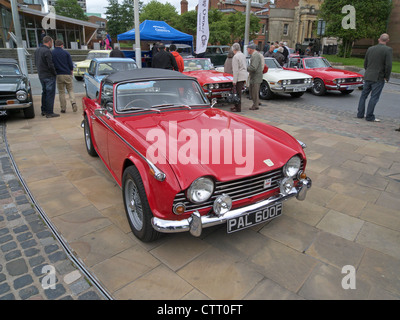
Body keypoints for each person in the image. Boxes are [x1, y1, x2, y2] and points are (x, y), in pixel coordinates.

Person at [357, 33, 392, 122]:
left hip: (368, 75)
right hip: (378, 77)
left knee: (363, 96)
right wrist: (386, 76)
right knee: (374, 97)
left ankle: (360, 114)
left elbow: (365, 63)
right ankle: (369, 116)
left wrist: (367, 71)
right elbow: (388, 65)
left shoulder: (370, 49)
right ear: (387, 40)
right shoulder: (388, 50)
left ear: (379, 39)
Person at [34, 35, 59, 118]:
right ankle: (49, 112)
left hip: (41, 75)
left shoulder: (37, 50)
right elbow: (50, 64)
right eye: (51, 42)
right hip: (49, 75)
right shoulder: (47, 51)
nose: (52, 44)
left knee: (44, 92)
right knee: (50, 94)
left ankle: (43, 110)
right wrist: (54, 73)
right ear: (49, 42)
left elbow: (36, 62)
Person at [52, 39, 77, 113]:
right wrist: (71, 71)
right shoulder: (66, 53)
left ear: (55, 45)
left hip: (59, 74)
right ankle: (73, 102)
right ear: (62, 45)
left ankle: (63, 108)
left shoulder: (52, 53)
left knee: (61, 92)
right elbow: (70, 63)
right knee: (70, 90)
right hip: (67, 73)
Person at [230, 43, 248, 112]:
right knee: (238, 92)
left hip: (239, 76)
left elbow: (235, 70)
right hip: (244, 75)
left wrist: (234, 81)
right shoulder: (243, 55)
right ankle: (236, 106)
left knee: (237, 93)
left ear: (234, 49)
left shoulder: (235, 57)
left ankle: (238, 108)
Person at [247, 43, 263, 110]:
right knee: (253, 91)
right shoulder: (254, 55)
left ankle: (255, 105)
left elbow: (254, 67)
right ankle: (255, 104)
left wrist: (246, 68)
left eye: (247, 49)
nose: (247, 50)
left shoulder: (255, 55)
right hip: (254, 77)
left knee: (255, 92)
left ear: (250, 49)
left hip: (256, 77)